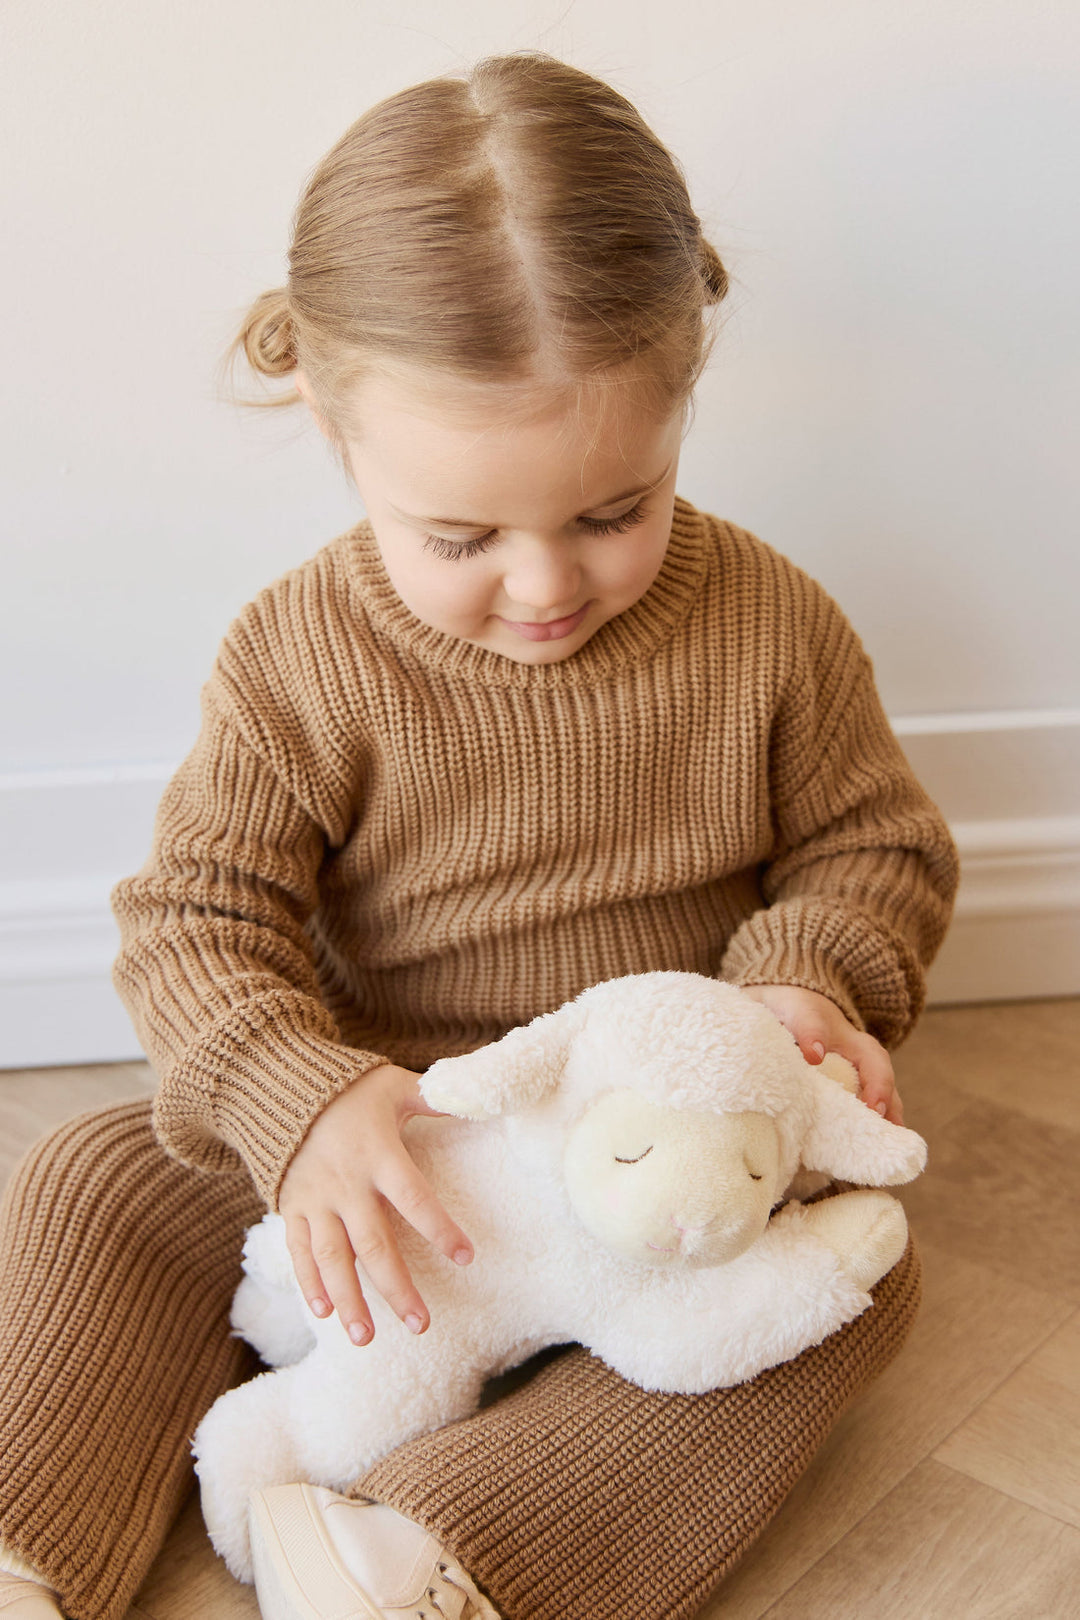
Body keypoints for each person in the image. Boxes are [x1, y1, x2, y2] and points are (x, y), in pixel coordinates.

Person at [0, 50, 957, 1620]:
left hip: (651, 1176)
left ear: (684, 390)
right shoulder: (298, 654)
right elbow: (196, 916)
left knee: (862, 1281)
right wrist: (297, 1105)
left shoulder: (774, 627)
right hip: (391, 1159)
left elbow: (873, 848)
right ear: (325, 415)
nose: (543, 586)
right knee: (95, 1179)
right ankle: (25, 1537)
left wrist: (808, 991)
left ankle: (429, 1553)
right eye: (459, 535)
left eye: (611, 510)